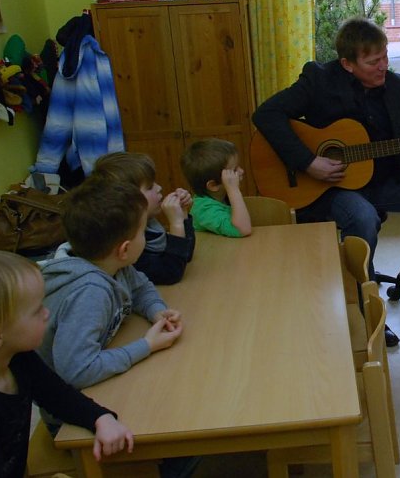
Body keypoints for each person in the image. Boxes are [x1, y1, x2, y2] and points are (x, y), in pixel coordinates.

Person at [252, 17, 400, 332]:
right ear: (347, 63)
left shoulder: (399, 86)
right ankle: (365, 304)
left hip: (387, 179)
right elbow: (266, 114)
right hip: (332, 187)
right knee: (363, 218)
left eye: (385, 56)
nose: (384, 66)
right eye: (373, 61)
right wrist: (308, 161)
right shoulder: (320, 81)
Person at [37, 178, 194, 477]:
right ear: (124, 248)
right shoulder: (89, 292)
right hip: (71, 416)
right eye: (142, 232)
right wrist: (146, 346)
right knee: (184, 430)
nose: (145, 239)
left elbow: (139, 287)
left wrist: (157, 310)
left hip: (96, 388)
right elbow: (78, 370)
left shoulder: (109, 263)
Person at [0, 250, 134, 478]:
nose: (47, 312)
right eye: (36, 310)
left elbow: (57, 395)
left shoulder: (19, 358)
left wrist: (100, 418)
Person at [91, 151, 196, 284]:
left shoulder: (150, 226)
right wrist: (176, 225)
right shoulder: (128, 241)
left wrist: (182, 214)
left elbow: (185, 255)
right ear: (128, 199)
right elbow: (170, 273)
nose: (159, 188)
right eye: (150, 186)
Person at [180, 138, 252, 238]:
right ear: (213, 186)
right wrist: (234, 191)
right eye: (234, 170)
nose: (242, 171)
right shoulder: (204, 209)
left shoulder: (220, 196)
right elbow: (243, 230)